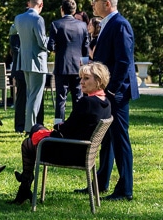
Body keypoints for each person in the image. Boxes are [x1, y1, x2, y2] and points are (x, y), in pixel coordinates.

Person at [10, 62, 113, 205]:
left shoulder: (87, 102)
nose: (81, 82)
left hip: (71, 153)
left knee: (28, 143)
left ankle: (25, 184)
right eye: (81, 78)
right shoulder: (106, 102)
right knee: (36, 128)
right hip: (84, 152)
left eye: (86, 78)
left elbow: (66, 130)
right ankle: (25, 185)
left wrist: (57, 128)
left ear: (99, 80)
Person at [90, 0, 138, 202]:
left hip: (117, 93)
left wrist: (109, 90)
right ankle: (101, 182)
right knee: (106, 138)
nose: (92, 3)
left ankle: (125, 188)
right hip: (108, 91)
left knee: (119, 138)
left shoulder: (120, 25)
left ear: (107, 4)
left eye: (95, 0)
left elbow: (123, 62)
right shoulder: (108, 24)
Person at [48, 0, 90, 122]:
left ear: (62, 9)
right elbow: (85, 46)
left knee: (61, 99)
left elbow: (50, 46)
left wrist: (58, 50)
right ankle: (78, 124)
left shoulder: (56, 24)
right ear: (74, 10)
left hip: (62, 66)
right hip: (78, 67)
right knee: (78, 97)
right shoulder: (82, 25)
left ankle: (58, 125)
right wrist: (85, 65)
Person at [15, 0, 48, 134]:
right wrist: (53, 40)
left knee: (30, 95)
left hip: (25, 62)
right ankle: (31, 128)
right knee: (35, 96)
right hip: (38, 63)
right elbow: (42, 43)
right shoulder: (38, 19)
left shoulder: (18, 18)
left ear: (29, 3)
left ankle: (30, 126)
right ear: (40, 5)